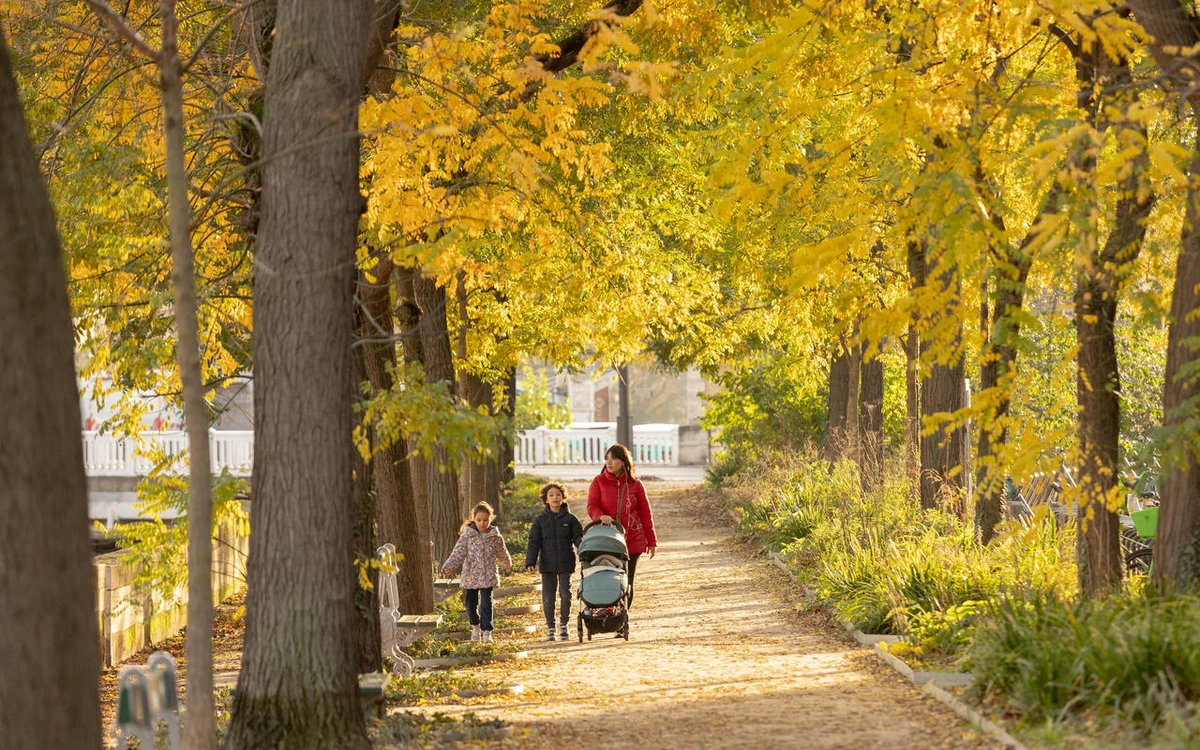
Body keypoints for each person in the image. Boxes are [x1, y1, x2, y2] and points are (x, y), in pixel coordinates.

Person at [587, 443, 657, 610]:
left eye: (614, 458)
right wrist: (600, 516)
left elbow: (646, 514)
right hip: (607, 539)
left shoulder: (636, 485)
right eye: (607, 458)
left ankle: (622, 618)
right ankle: (609, 613)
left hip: (633, 540)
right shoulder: (598, 482)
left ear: (624, 461)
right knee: (610, 579)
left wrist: (652, 541)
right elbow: (591, 506)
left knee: (628, 581)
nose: (609, 462)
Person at [441, 501, 512, 644]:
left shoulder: (495, 536)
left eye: (485, 520)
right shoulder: (467, 536)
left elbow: (502, 552)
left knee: (487, 603)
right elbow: (458, 553)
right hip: (470, 576)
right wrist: (449, 566)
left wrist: (506, 563)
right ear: (474, 519)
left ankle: (487, 632)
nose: (482, 523)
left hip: (487, 575)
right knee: (470, 604)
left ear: (490, 519)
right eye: (479, 520)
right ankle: (475, 626)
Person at [525, 482, 583, 642]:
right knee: (548, 598)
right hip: (547, 564)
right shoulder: (540, 521)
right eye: (551, 495)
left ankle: (564, 625)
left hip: (566, 563)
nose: (555, 497)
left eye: (558, 494)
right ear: (545, 499)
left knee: (565, 594)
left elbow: (578, 538)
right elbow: (533, 542)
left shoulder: (571, 519)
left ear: (563, 496)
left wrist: (583, 551)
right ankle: (551, 627)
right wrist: (530, 561)